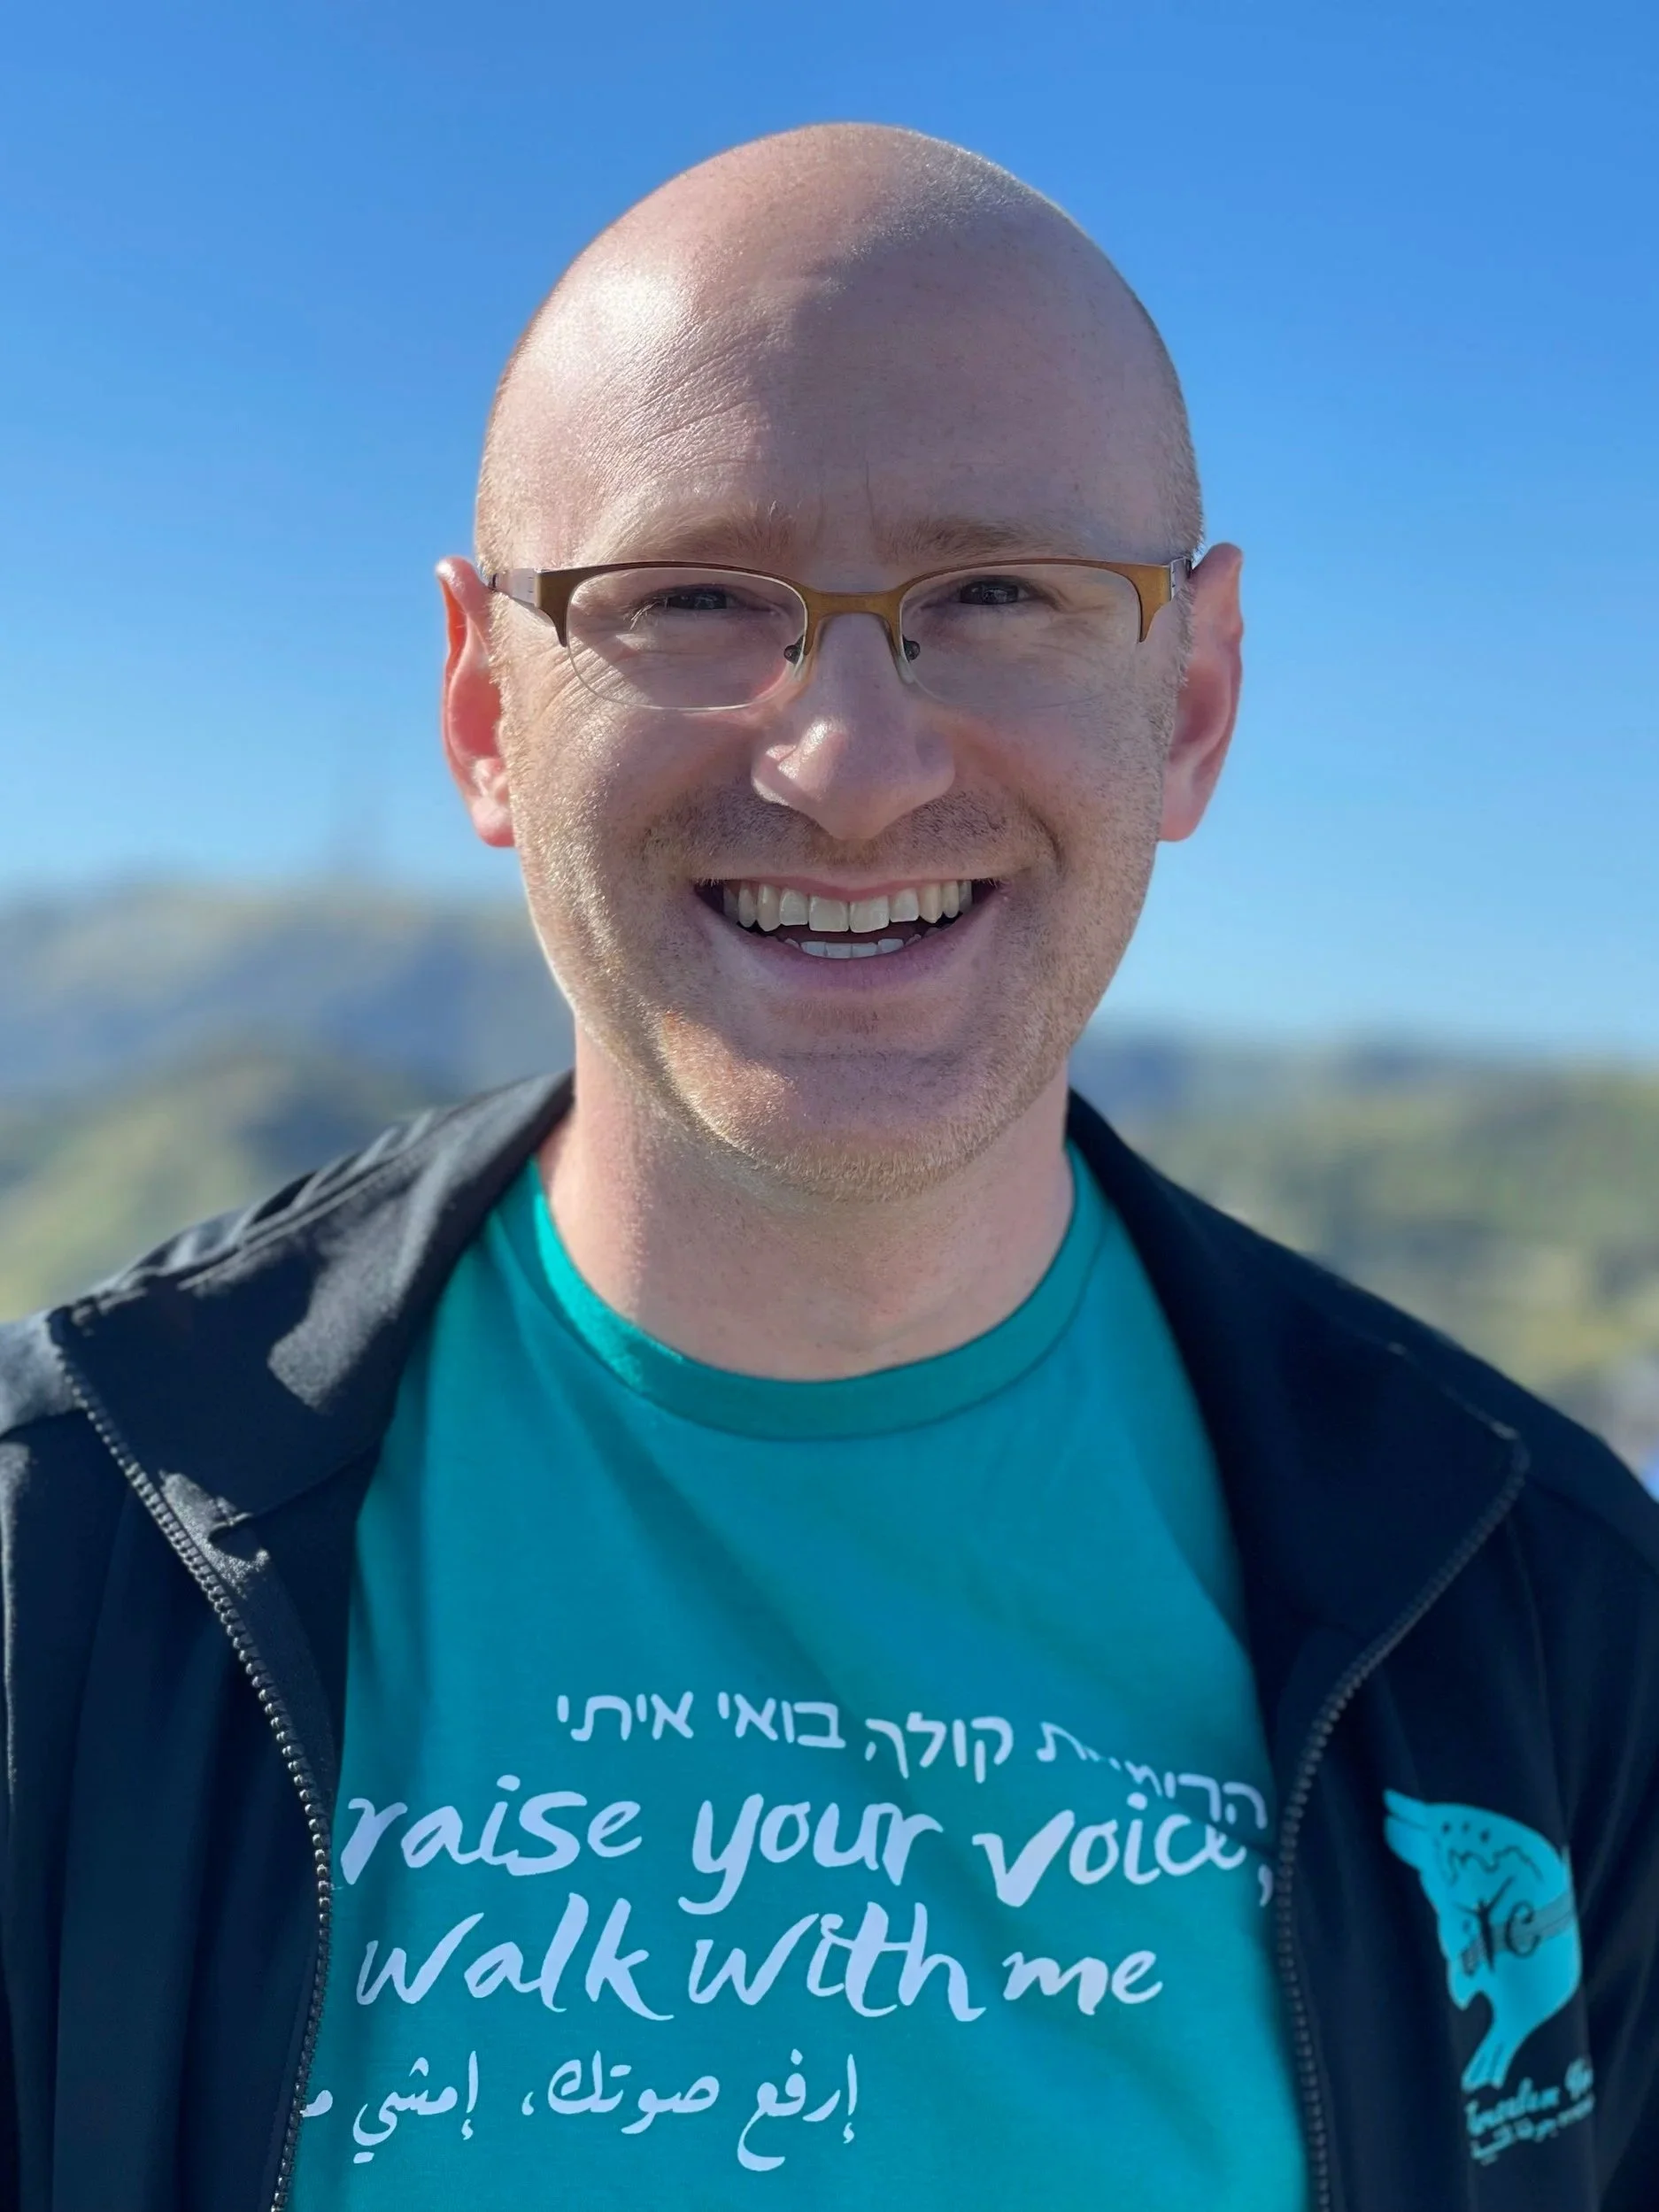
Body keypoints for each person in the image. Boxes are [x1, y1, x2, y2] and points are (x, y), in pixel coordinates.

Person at [1, 124, 1655, 2212]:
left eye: (998, 593)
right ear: (486, 710)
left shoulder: (1542, 1620)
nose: (851, 766)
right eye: (692, 598)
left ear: (1194, 696)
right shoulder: (65, 1557)